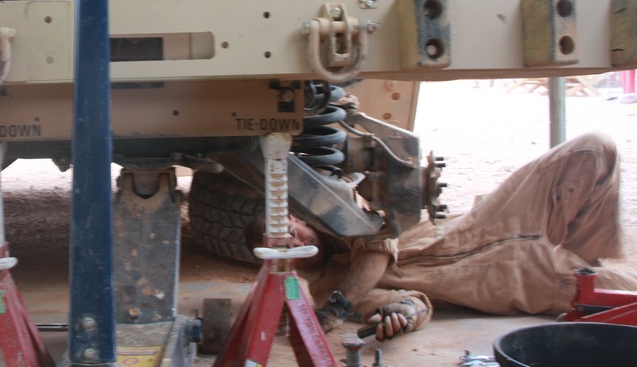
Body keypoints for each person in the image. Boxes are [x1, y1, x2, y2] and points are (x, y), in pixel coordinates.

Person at [270, 130, 636, 340]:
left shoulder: (345, 214)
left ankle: (587, 249)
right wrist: (402, 312)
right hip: (509, 279)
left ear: (294, 218)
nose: (296, 245)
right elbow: (409, 301)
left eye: (290, 234)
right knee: (619, 297)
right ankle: (589, 266)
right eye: (286, 251)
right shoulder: (327, 286)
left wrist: (337, 308)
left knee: (594, 148)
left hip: (494, 219)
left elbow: (376, 246)